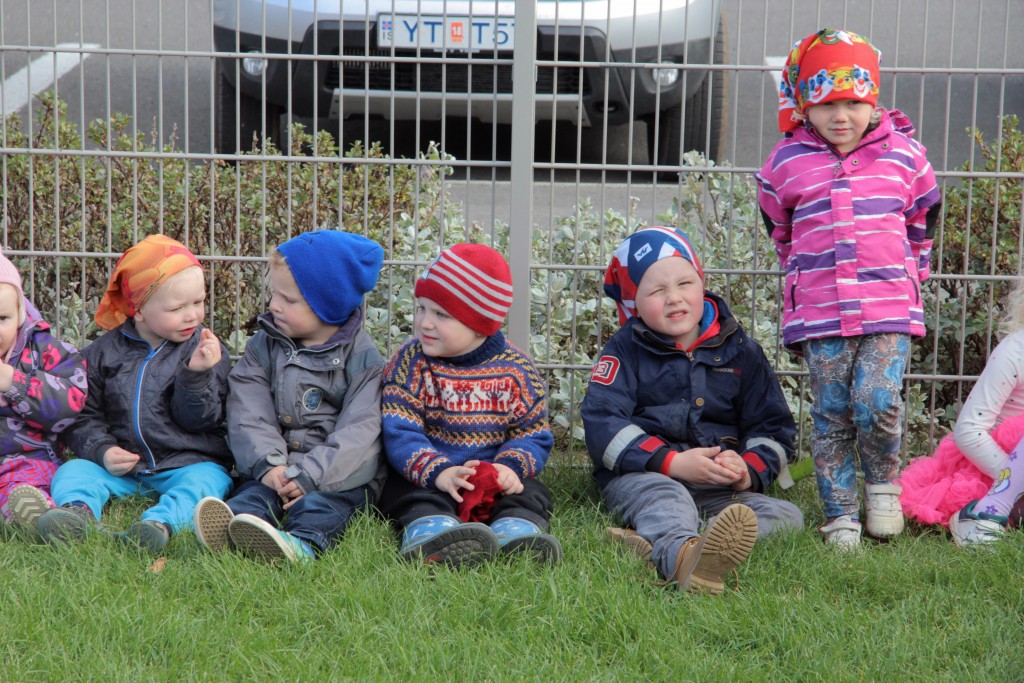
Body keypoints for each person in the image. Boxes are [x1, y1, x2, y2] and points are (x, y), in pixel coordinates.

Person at [756, 28, 942, 548]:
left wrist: (914, 271)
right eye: (827, 104)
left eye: (854, 103)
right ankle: (839, 514)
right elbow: (778, 226)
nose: (841, 116)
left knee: (877, 400)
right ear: (805, 105)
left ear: (873, 100)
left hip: (888, 306)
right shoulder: (786, 162)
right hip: (821, 311)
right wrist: (800, 273)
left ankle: (881, 487)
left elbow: (923, 216)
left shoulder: (905, 155)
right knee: (832, 412)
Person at [581, 226, 802, 594]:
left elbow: (773, 427)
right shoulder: (623, 351)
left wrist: (746, 472)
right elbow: (602, 422)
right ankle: (683, 558)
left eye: (685, 283)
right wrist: (671, 463)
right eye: (656, 291)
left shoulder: (742, 351)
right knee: (668, 500)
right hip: (646, 477)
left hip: (715, 486)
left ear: (702, 283)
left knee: (787, 516)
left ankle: (674, 542)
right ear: (633, 304)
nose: (674, 298)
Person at [26, 234, 232, 555]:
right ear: (138, 309)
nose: (192, 315)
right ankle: (76, 513)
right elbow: (83, 415)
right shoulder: (102, 354)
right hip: (124, 469)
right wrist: (103, 450)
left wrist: (196, 375)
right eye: (177, 307)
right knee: (73, 471)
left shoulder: (206, 351)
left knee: (209, 481)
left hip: (187, 462)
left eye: (199, 302)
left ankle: (159, 525)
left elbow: (201, 421)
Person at [193, 229, 387, 563]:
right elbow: (247, 408)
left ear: (328, 305)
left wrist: (311, 475)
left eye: (289, 299)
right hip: (277, 464)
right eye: (274, 294)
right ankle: (236, 525)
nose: (273, 305)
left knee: (321, 508)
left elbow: (361, 432)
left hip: (335, 477)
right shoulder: (264, 345)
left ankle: (302, 545)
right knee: (255, 494)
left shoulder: (364, 361)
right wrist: (268, 465)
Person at [378, 243, 561, 567]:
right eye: (422, 308)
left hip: (494, 477)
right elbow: (401, 432)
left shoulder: (516, 370)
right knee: (404, 489)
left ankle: (515, 533)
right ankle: (432, 532)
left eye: (441, 314)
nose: (425, 323)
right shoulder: (410, 362)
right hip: (432, 476)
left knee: (531, 492)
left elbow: (532, 433)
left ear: (480, 323)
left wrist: (510, 467)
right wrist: (439, 472)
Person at [899, 278, 1024, 545]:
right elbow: (968, 431)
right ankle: (982, 513)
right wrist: (1016, 484)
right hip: (998, 470)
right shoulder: (1016, 352)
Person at [0, 250, 87, 531]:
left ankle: (37, 517)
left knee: (18, 486)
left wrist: (14, 382)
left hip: (26, 458)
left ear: (20, 315)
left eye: (2, 318)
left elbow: (68, 406)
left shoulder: (46, 351)